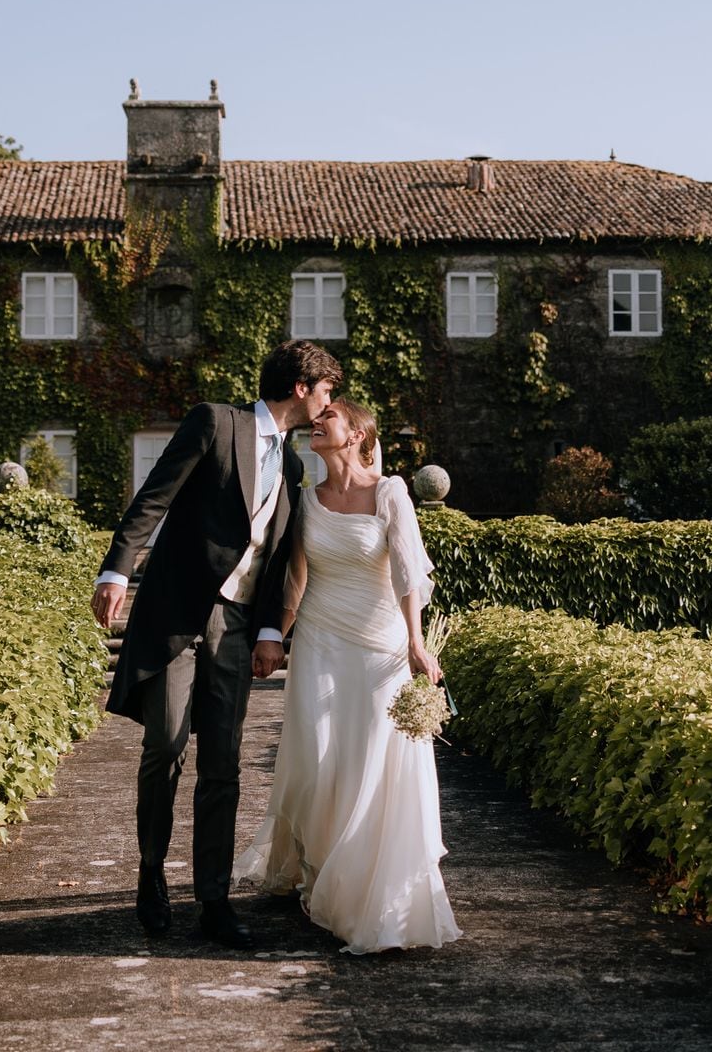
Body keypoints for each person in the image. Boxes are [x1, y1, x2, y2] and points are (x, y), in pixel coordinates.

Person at [90, 340, 344, 949]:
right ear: (301, 387)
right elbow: (155, 496)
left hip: (235, 625)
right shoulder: (215, 422)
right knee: (166, 746)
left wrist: (269, 631)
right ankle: (151, 873)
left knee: (223, 765)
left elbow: (278, 558)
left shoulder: (292, 468)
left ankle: (214, 899)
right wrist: (116, 570)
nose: (329, 402)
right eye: (326, 390)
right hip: (177, 613)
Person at [233, 398, 462, 954]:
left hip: (379, 646)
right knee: (316, 757)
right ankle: (319, 867)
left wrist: (415, 642)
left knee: (371, 760)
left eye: (329, 415)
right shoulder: (306, 499)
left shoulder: (391, 492)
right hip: (318, 639)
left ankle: (365, 890)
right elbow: (295, 578)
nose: (317, 420)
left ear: (358, 433)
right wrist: (274, 637)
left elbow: (407, 570)